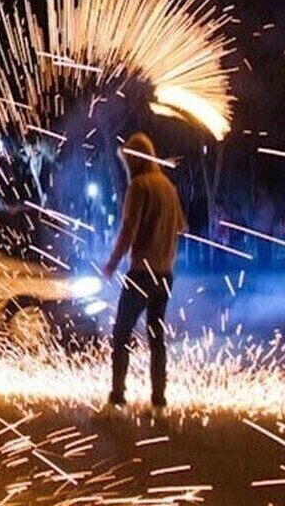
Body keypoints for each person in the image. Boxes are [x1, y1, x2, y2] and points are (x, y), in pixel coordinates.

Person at [103, 133, 186, 418]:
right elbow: (181, 227)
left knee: (121, 334)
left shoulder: (139, 185)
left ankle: (116, 400)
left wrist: (112, 263)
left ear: (136, 158)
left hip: (141, 273)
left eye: (128, 159)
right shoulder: (168, 187)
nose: (126, 164)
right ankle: (159, 402)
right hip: (165, 274)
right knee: (156, 338)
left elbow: (128, 229)